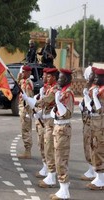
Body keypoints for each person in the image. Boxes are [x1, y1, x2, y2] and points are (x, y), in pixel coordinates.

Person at [49, 69, 74, 200]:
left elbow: (65, 113)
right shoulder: (62, 92)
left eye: (62, 78)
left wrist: (58, 102)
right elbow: (55, 113)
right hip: (59, 126)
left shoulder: (68, 94)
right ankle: (63, 188)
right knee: (58, 156)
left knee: (61, 158)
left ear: (68, 79)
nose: (59, 80)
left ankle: (64, 191)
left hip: (63, 128)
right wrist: (56, 104)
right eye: (59, 78)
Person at [86, 67, 104, 190]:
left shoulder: (102, 91)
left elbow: (100, 110)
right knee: (94, 148)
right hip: (95, 124)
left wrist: (96, 97)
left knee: (100, 150)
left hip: (101, 125)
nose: (95, 79)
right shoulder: (97, 90)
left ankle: (101, 180)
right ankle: (99, 176)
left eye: (98, 77)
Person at [79, 66, 97, 181]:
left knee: (93, 146)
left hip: (93, 122)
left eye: (90, 76)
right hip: (87, 121)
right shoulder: (89, 87)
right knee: (87, 145)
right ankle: (91, 169)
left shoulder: (96, 89)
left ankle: (95, 171)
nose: (88, 79)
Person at [17, 65, 34, 159]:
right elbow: (18, 84)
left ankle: (28, 151)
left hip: (25, 109)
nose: (22, 73)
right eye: (22, 72)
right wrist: (19, 77)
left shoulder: (28, 83)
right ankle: (27, 150)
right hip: (22, 108)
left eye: (24, 72)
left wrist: (27, 112)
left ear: (28, 73)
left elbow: (28, 98)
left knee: (26, 129)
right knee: (24, 129)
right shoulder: (23, 81)